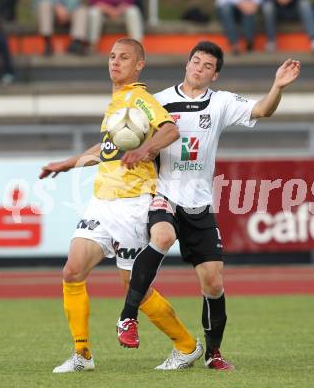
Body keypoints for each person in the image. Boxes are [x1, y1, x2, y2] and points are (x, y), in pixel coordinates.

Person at [117, 41, 301, 370]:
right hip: (163, 192)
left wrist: (277, 87)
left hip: (199, 203)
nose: (198, 68)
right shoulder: (157, 102)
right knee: (161, 237)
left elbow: (262, 110)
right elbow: (134, 136)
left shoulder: (221, 103)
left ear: (214, 75)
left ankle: (213, 353)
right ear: (186, 63)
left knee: (213, 283)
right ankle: (127, 318)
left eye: (206, 66)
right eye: (195, 61)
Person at [39, 38, 203, 373]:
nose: (115, 62)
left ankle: (187, 346)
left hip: (133, 203)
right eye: (112, 56)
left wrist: (146, 151)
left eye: (124, 57)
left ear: (139, 64)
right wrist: (66, 163)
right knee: (72, 271)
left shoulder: (140, 99)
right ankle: (82, 355)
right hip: (102, 202)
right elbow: (107, 150)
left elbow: (170, 130)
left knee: (135, 290)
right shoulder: (116, 102)